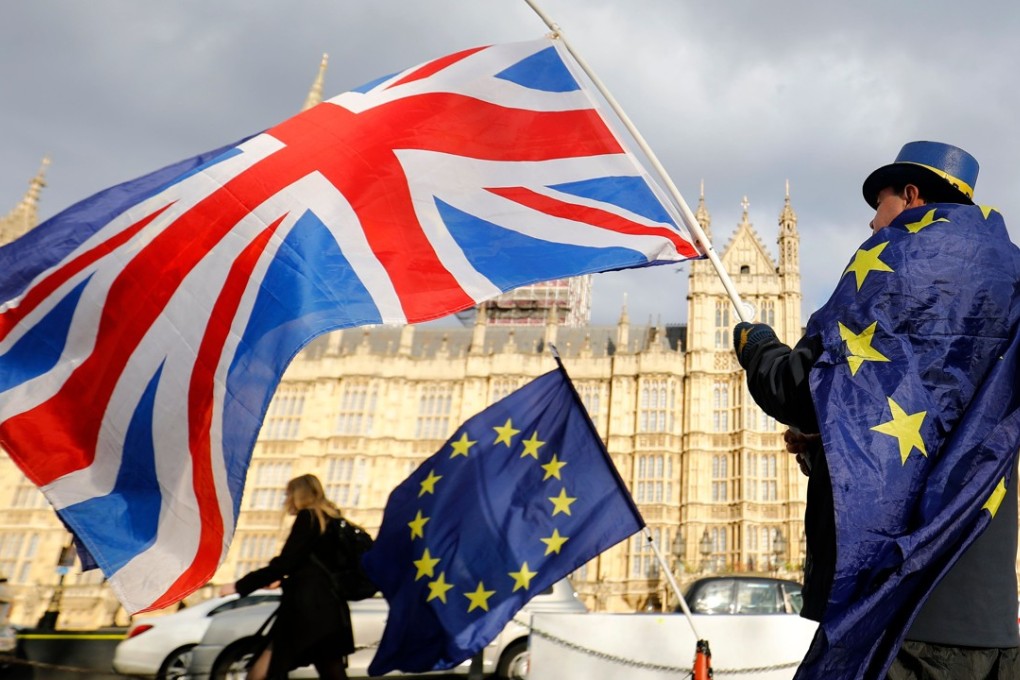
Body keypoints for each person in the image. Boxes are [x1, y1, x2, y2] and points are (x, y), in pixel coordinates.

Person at [733, 141, 1020, 679]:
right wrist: (828, 446)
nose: (872, 222)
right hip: (992, 624)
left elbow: (798, 390)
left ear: (911, 196)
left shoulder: (896, 266)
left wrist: (757, 346)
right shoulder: (1011, 279)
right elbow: (943, 426)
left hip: (899, 612)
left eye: (881, 203)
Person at [220, 474, 355, 680]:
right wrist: (286, 580)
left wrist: (240, 585)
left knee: (270, 667)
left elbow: (285, 563)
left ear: (298, 494)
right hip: (330, 608)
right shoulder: (334, 522)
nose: (285, 501)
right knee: (330, 668)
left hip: (304, 610)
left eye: (287, 495)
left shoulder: (308, 517)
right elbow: (315, 568)